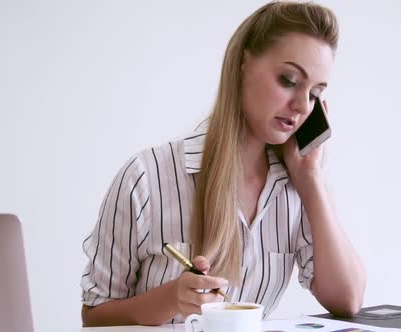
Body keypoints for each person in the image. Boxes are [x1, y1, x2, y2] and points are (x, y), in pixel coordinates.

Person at [80, 1, 366, 327]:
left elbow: (348, 300)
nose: (302, 105)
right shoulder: (146, 178)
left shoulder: (296, 189)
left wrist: (311, 179)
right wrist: (172, 298)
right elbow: (94, 318)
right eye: (289, 80)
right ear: (244, 63)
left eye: (315, 93)